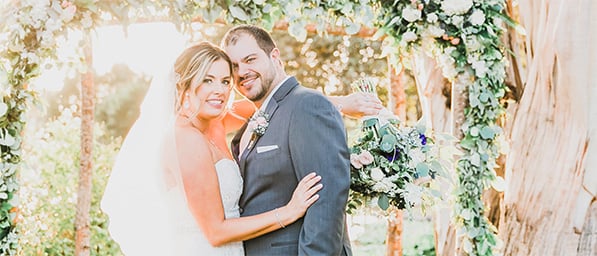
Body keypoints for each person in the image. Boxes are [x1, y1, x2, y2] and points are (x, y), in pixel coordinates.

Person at [101, 42, 323, 256]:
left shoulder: (215, 122)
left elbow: (278, 106)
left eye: (225, 81)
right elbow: (216, 232)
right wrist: (289, 211)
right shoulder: (185, 139)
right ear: (184, 85)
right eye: (208, 80)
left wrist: (338, 103)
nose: (220, 91)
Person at [222, 24, 354, 255]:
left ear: (274, 56)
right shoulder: (256, 119)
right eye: (234, 66)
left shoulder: (307, 105)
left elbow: (326, 204)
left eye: (250, 59)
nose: (242, 72)